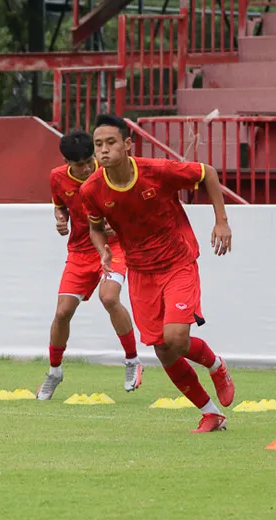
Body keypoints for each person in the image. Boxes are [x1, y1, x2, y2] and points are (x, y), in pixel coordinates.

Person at [80, 114, 235, 433]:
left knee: (176, 337)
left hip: (178, 262)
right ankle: (210, 413)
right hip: (140, 271)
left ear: (127, 144)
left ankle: (217, 366)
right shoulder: (92, 190)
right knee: (163, 348)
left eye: (111, 143)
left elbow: (207, 173)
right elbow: (95, 227)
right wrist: (102, 249)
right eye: (98, 145)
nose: (104, 150)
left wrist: (221, 221)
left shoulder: (156, 171)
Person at [36, 130, 143, 401]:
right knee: (62, 312)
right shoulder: (57, 177)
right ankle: (55, 371)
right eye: (78, 164)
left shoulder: (111, 171)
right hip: (80, 252)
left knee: (108, 297)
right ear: (66, 162)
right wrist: (60, 218)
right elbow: (60, 206)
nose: (85, 169)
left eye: (88, 161)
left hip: (115, 246)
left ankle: (132, 361)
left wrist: (117, 222)